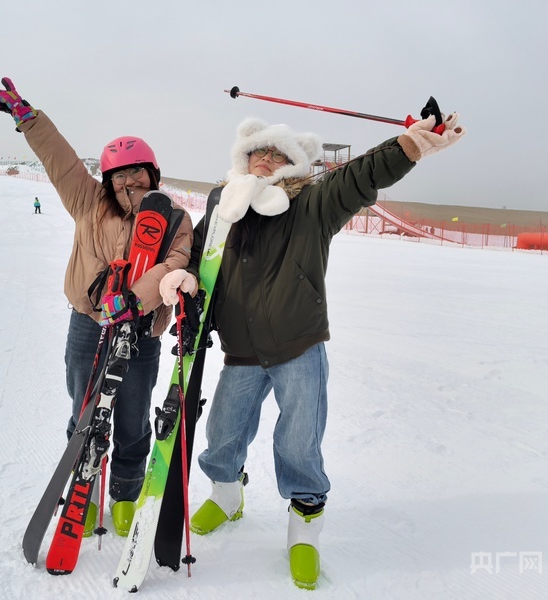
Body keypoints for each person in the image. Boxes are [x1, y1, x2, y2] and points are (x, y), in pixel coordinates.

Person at [159, 112, 465, 589]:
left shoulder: (313, 203)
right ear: (245, 156)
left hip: (297, 345)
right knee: (221, 433)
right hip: (240, 348)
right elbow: (201, 255)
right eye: (259, 151)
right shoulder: (225, 204)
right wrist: (186, 277)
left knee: (299, 442)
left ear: (294, 165)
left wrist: (407, 146)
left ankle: (304, 530)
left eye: (278, 155)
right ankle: (226, 495)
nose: (266, 160)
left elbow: (360, 176)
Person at [0, 77, 194, 536]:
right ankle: (81, 490)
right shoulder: (88, 202)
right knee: (85, 409)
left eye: (137, 171)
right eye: (118, 173)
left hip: (141, 331)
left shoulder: (176, 218)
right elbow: (59, 161)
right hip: (88, 325)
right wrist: (29, 119)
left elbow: (176, 263)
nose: (127, 180)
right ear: (107, 179)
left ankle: (124, 493)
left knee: (133, 415)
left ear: (153, 174)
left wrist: (132, 301)